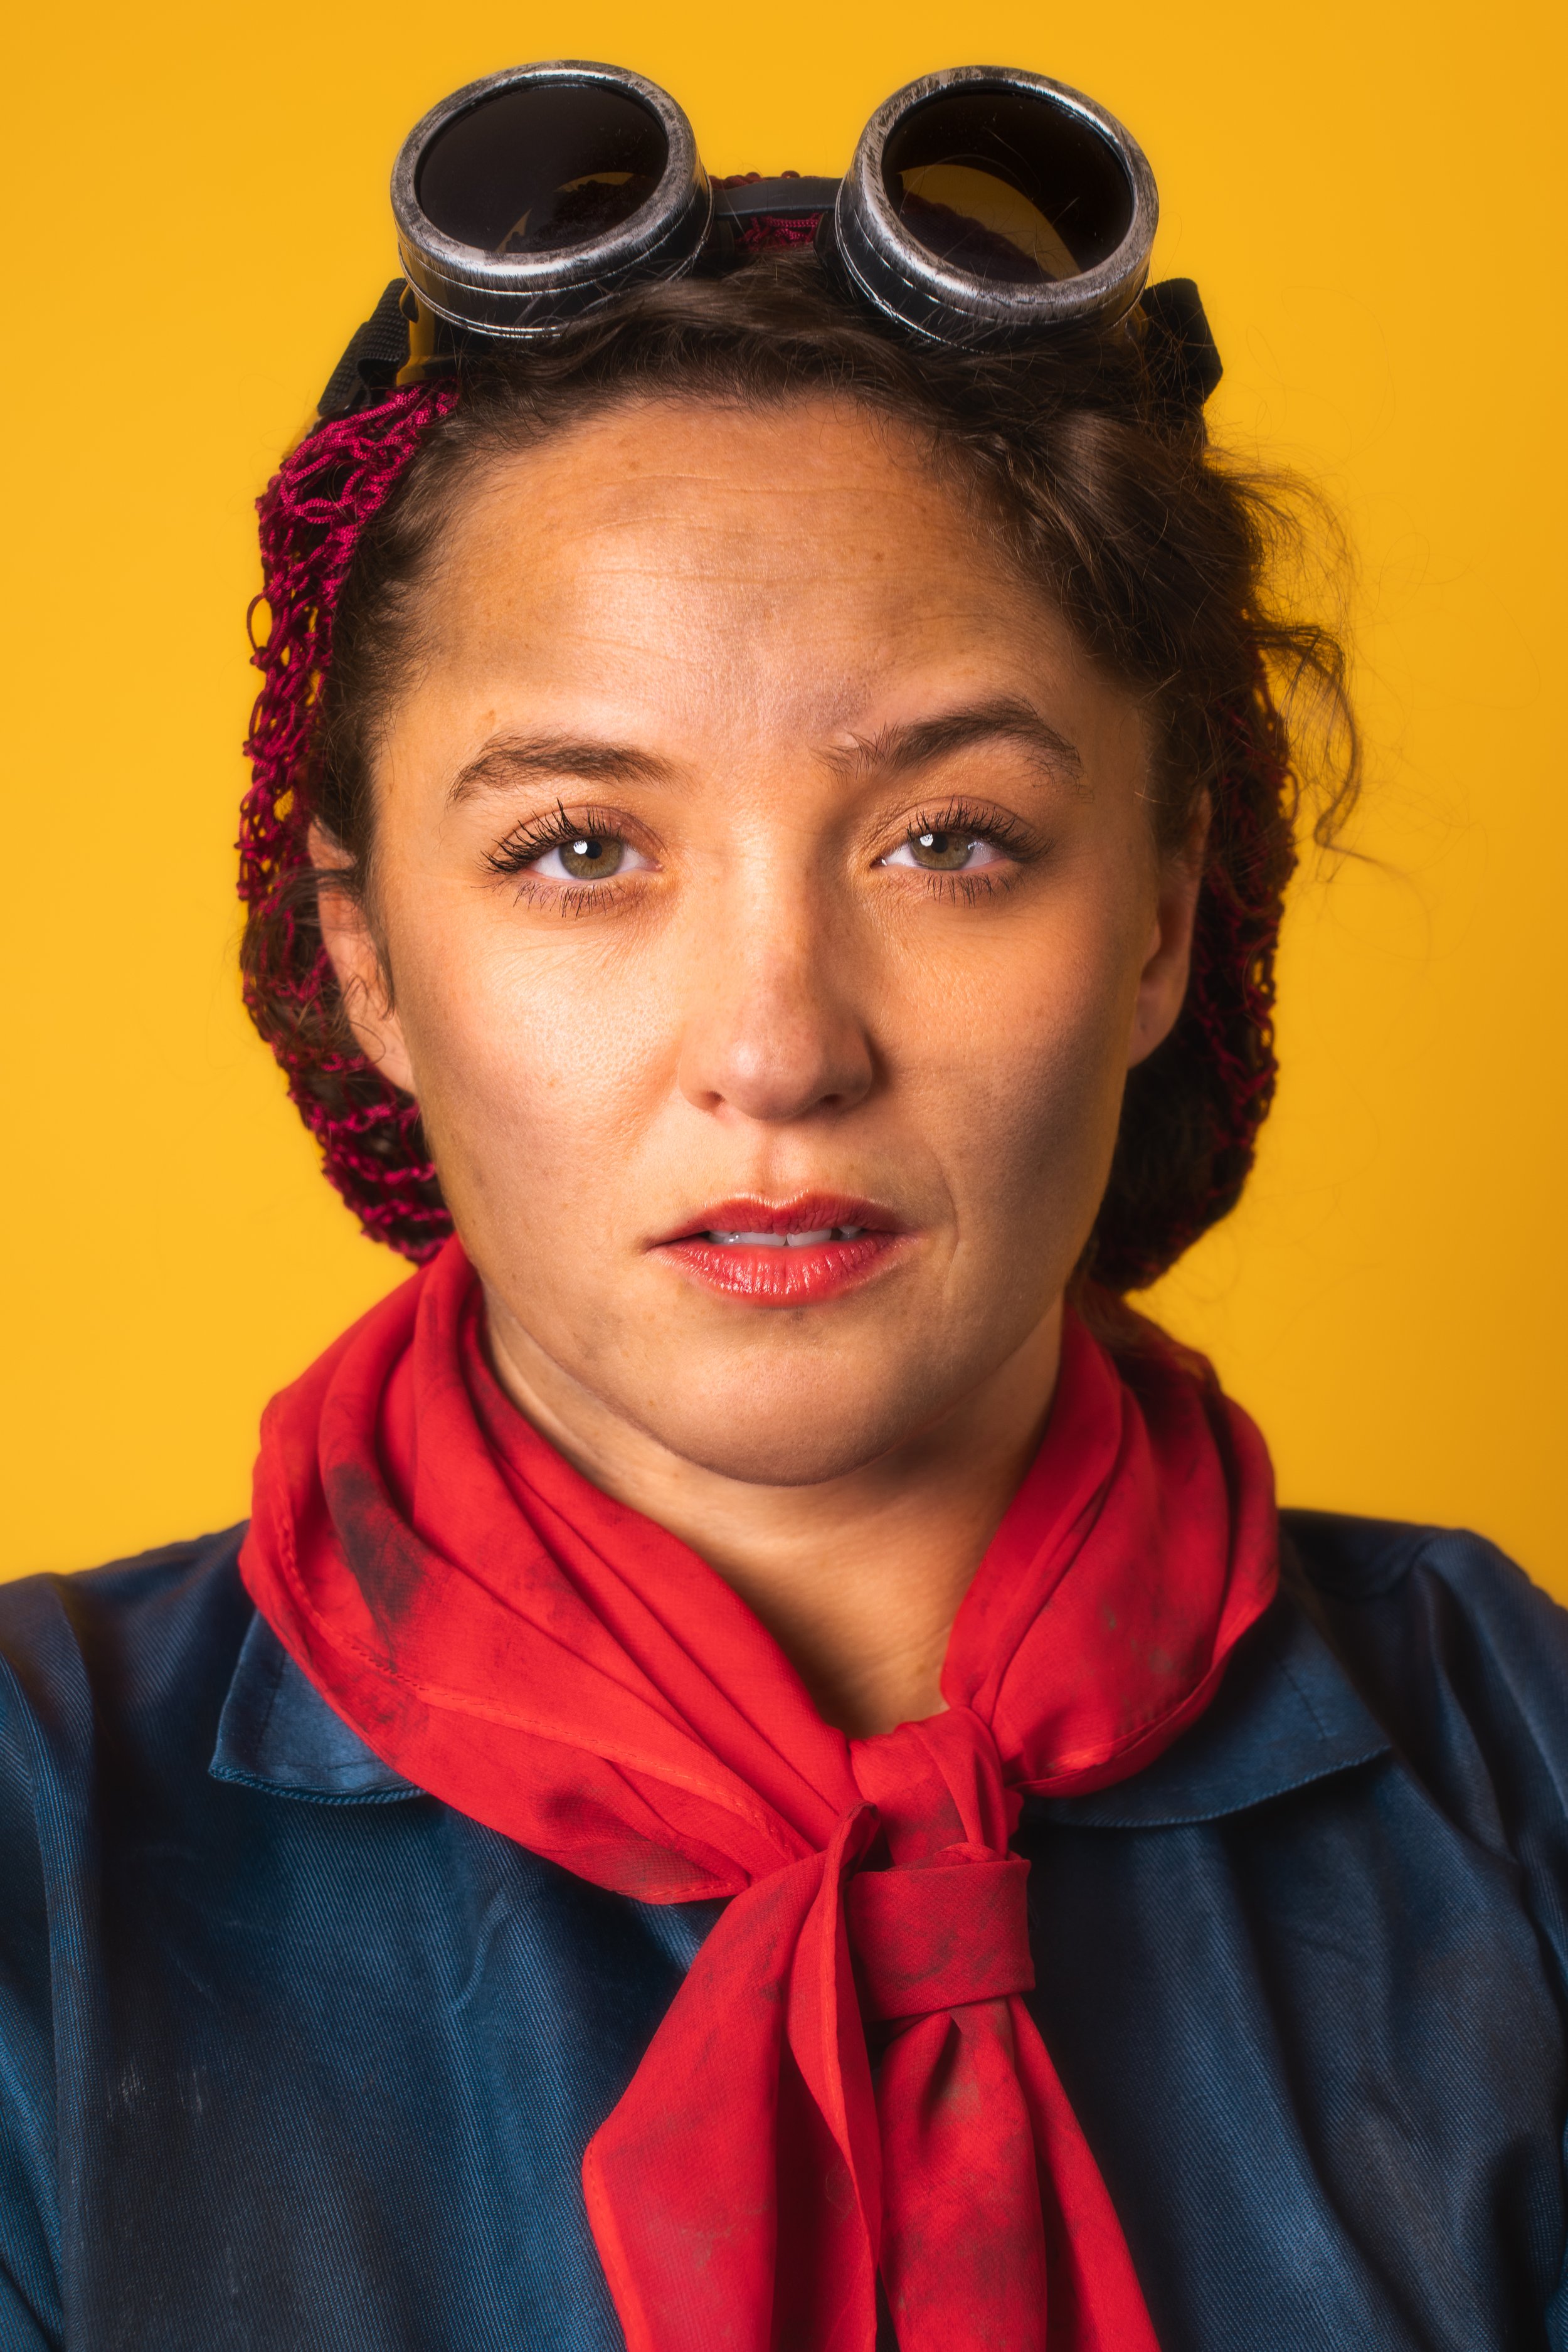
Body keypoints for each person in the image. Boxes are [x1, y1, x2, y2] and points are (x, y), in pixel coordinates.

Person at [1, 60, 1564, 2352]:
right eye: (577, 849)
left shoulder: (1512, 1760)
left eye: (951, 840)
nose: (778, 1041)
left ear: (1156, 922)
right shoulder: (43, 1829)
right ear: (366, 960)